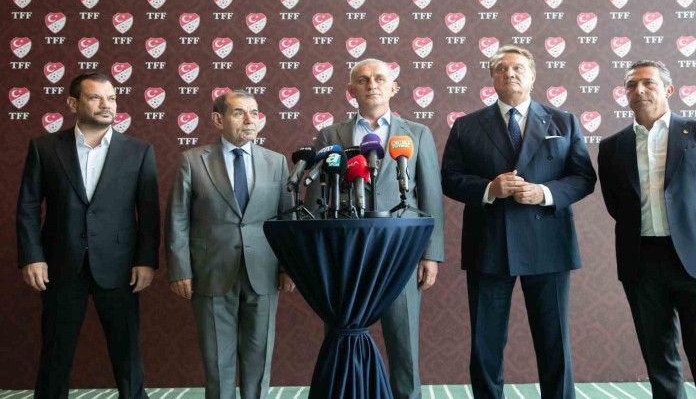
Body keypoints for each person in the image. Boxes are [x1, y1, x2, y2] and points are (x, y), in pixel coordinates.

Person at [440, 45, 596, 399]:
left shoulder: (563, 121)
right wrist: (489, 189)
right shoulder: (466, 125)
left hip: (548, 244)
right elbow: (449, 178)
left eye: (517, 68)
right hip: (489, 244)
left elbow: (584, 177)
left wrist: (544, 192)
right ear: (492, 78)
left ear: (533, 76)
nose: (509, 73)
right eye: (501, 69)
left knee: (554, 340)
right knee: (486, 343)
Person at [598, 61, 696, 399]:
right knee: (658, 353)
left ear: (668, 89)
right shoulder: (612, 146)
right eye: (631, 85)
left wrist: (695, 231)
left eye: (648, 83)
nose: (639, 90)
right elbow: (615, 204)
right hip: (641, 260)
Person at [304, 58, 444, 399]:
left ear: (393, 87)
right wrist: (315, 257)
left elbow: (430, 195)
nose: (372, 85)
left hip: (401, 251)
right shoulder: (330, 135)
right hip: (345, 253)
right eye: (363, 79)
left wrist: (431, 254)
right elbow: (314, 200)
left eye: (380, 78)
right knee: (341, 336)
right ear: (350, 90)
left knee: (404, 342)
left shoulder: (417, 134)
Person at [16, 72, 160, 399]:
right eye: (95, 97)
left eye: (112, 98)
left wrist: (146, 261)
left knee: (127, 352)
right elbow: (27, 207)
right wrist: (32, 256)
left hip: (121, 266)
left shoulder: (138, 151)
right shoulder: (44, 148)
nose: (106, 104)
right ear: (73, 103)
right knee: (55, 351)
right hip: (60, 264)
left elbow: (149, 213)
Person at [165, 90, 295, 399]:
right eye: (239, 113)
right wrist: (180, 269)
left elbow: (286, 220)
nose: (250, 120)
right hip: (210, 271)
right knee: (216, 358)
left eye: (254, 112)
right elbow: (178, 217)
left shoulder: (276, 162)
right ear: (217, 119)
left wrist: (288, 268)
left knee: (259, 354)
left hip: (263, 271)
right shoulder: (192, 160)